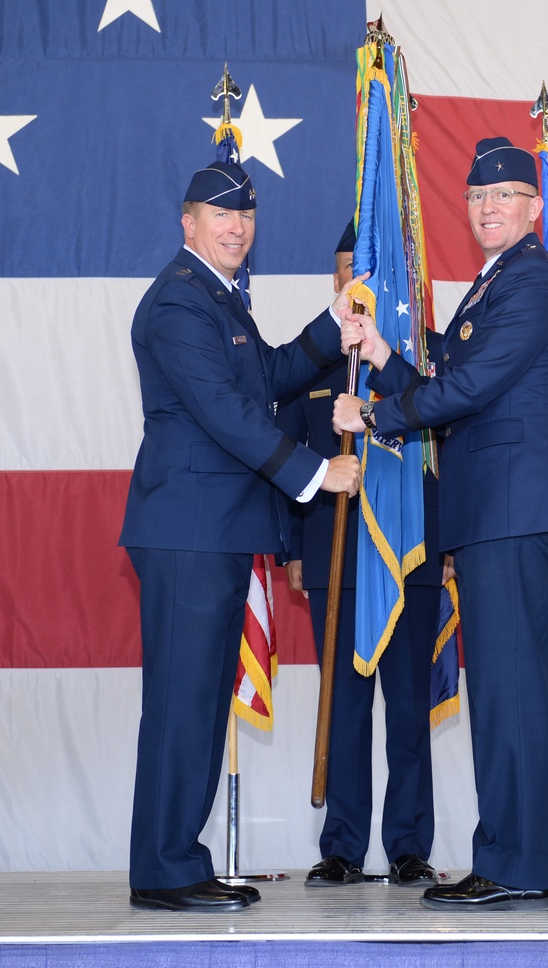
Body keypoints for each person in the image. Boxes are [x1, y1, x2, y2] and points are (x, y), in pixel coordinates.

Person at [334, 137, 548, 911]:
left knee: (510, 693)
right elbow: (453, 385)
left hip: (513, 511)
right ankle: (510, 859)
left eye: (504, 195)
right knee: (501, 692)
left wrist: (375, 411)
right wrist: (380, 355)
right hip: (490, 512)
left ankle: (513, 866)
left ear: (534, 207)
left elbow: (469, 386)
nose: (487, 208)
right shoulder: (493, 283)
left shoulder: (534, 278)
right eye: (477, 197)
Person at [119, 160, 362, 912]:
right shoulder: (180, 304)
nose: (237, 228)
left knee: (195, 701)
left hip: (211, 533)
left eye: (247, 218)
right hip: (190, 533)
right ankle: (165, 869)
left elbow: (268, 376)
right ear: (187, 224)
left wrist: (335, 325)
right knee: (182, 703)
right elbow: (229, 415)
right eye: (221, 216)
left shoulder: (219, 302)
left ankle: (175, 861)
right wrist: (319, 475)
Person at [277, 220, 444, 888]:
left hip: (411, 559)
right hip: (334, 556)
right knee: (342, 706)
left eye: (368, 272)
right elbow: (284, 455)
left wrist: (450, 541)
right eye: (347, 269)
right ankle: (342, 847)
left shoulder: (418, 357)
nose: (357, 283)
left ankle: (408, 846)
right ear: (334, 279)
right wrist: (291, 547)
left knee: (408, 705)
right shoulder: (308, 358)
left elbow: (448, 447)